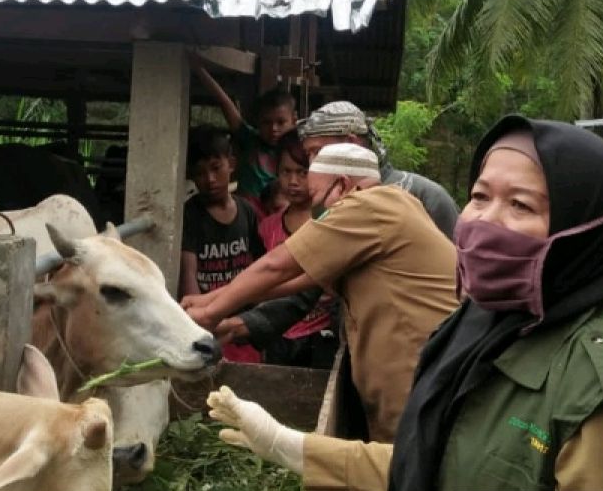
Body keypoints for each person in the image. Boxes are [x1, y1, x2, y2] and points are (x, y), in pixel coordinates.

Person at [207, 117, 603, 491]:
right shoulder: (480, 330)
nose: (483, 222)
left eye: (520, 205)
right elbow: (442, 469)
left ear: (587, 232)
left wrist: (210, 309)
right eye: (479, 197)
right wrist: (289, 447)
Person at [184, 142, 458, 443]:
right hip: (419, 379)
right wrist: (210, 299)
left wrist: (208, 314)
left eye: (317, 199)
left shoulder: (369, 206)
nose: (317, 213)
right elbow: (301, 279)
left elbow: (277, 266)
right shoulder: (394, 208)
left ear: (342, 185)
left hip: (415, 380)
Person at [218, 131, 340, 369]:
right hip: (276, 335)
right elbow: (262, 276)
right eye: (286, 172)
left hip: (322, 333)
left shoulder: (330, 222)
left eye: (302, 173)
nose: (293, 181)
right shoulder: (268, 227)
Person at [296, 100, 459, 237]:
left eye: (318, 152)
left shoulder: (426, 196)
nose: (312, 164)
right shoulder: (325, 201)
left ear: (352, 143)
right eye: (308, 154)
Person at [179, 126, 265, 363]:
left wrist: (256, 318)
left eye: (216, 169)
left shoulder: (247, 211)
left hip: (241, 320)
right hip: (208, 322)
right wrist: (198, 326)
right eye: (200, 173)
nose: (210, 179)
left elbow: (259, 266)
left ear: (232, 164)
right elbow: (189, 273)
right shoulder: (190, 214)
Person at [191, 56, 297, 217]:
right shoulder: (250, 140)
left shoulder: (298, 152)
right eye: (267, 123)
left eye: (281, 122)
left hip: (279, 224)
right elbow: (225, 104)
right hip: (246, 221)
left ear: (294, 120)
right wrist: (200, 70)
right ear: (257, 123)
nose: (274, 129)